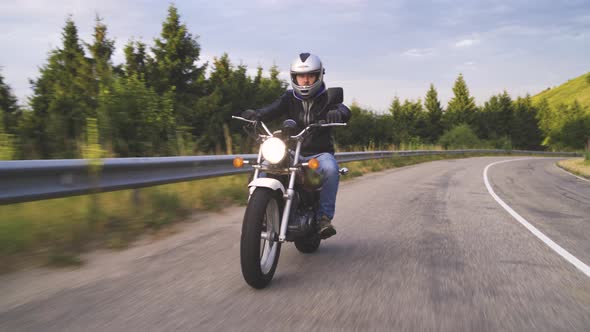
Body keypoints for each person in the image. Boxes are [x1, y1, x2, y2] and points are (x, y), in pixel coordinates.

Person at [241, 52, 351, 239]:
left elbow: (344, 109)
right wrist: (256, 115)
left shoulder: (327, 99)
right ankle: (256, 211)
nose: (306, 81)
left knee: (332, 169)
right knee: (264, 165)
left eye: (310, 76)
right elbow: (271, 109)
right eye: (301, 76)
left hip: (319, 153)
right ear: (294, 77)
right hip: (292, 150)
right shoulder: (288, 98)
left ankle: (323, 218)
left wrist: (338, 113)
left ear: (319, 76)